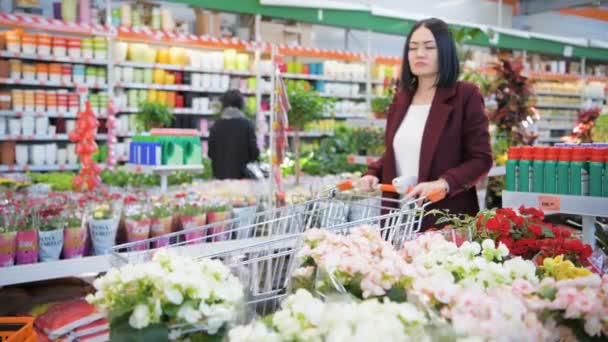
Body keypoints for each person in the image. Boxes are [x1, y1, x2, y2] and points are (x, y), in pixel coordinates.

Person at [360, 17, 492, 229]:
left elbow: (481, 159)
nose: (419, 54)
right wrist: (372, 173)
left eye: (429, 47)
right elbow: (397, 151)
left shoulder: (465, 95)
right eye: (413, 48)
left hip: (444, 219)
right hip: (397, 219)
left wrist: (444, 183)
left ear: (445, 51)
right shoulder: (401, 99)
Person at [208, 89, 260, 179]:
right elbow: (254, 153)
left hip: (220, 177)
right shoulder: (247, 125)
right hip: (241, 177)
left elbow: (211, 153)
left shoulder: (216, 125)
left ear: (223, 104)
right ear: (241, 104)